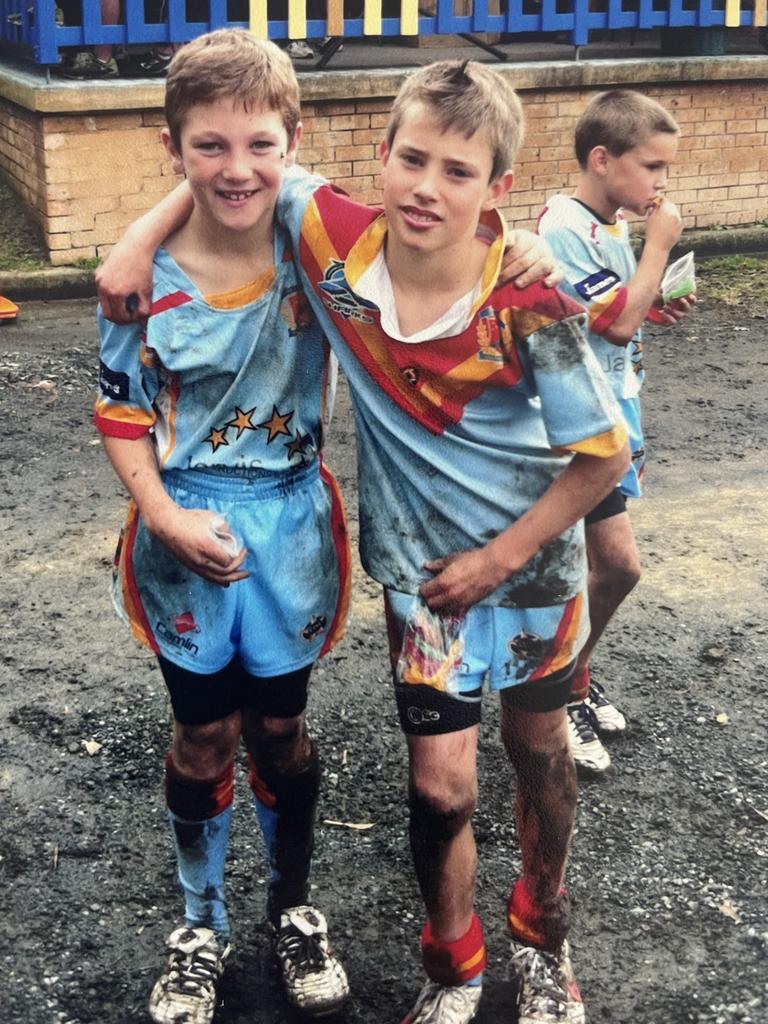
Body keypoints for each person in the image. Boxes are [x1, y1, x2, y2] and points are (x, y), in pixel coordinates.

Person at [97, 58, 627, 1024]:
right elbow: (229, 155)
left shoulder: (529, 299)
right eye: (412, 160)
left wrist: (499, 561)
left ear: (498, 189)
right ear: (378, 157)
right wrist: (135, 242)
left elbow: (602, 455)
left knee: (542, 751)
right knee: (439, 791)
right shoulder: (332, 243)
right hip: (424, 584)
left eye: (459, 172)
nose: (428, 187)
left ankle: (544, 940)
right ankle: (453, 962)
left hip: (533, 571)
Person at [94, 30, 354, 1024]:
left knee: (281, 728)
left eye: (260, 145)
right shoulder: (142, 280)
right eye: (208, 147)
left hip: (290, 528)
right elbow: (120, 409)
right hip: (182, 530)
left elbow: (415, 229)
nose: (235, 169)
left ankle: (292, 904)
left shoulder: (315, 247)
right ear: (173, 149)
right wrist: (160, 513)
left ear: (292, 142)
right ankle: (200, 922)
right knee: (204, 734)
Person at [537, 89, 694, 773]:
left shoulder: (611, 223)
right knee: (611, 566)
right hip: (579, 431)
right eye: (652, 167)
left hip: (616, 414)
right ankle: (557, 691)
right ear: (602, 159)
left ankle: (571, 676)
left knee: (597, 569)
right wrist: (659, 249)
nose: (662, 184)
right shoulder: (563, 227)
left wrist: (653, 297)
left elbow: (619, 313)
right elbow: (614, 322)